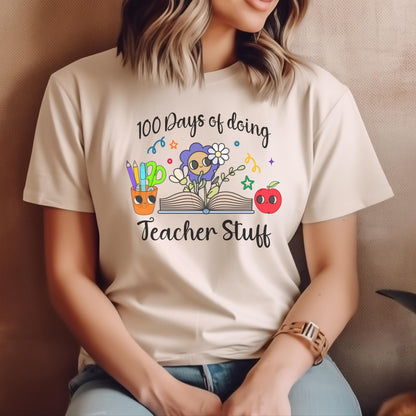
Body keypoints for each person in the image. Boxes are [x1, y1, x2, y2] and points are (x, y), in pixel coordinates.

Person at [24, 0, 393, 415]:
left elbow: (336, 274)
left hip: (284, 362)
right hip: (128, 374)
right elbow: (67, 274)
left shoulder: (318, 98)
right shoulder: (77, 91)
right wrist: (159, 392)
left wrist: (269, 382)